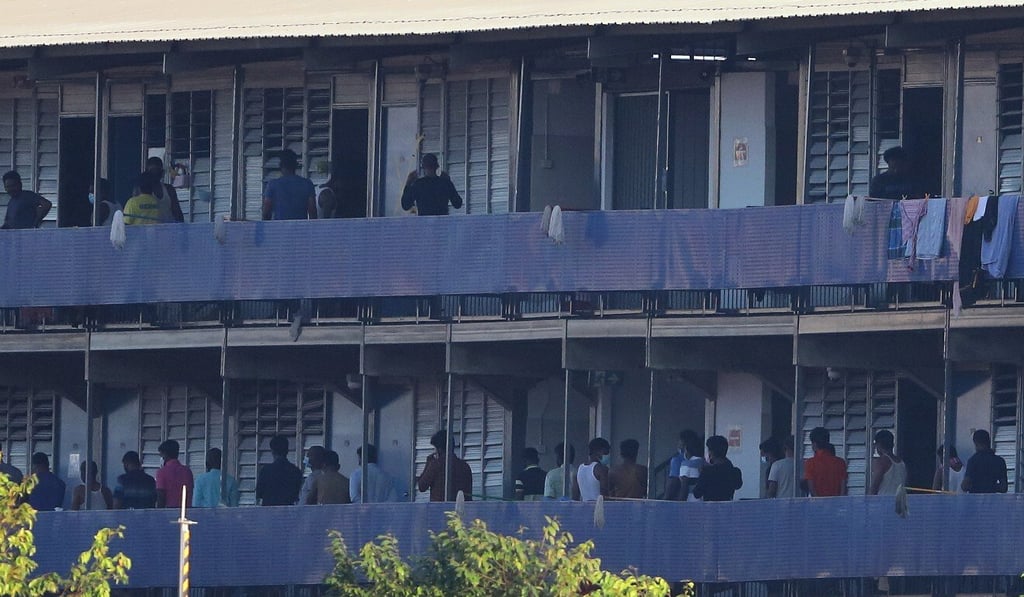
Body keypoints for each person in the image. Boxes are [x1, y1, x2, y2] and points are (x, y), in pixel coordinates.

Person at [417, 430, 473, 502]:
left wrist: (428, 464)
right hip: (458, 509)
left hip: (438, 509)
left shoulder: (436, 465)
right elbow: (468, 495)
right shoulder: (465, 466)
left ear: (439, 449)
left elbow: (422, 486)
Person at [262, 149, 317, 221]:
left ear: (281, 166)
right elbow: (312, 211)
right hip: (301, 229)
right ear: (296, 165)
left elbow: (266, 211)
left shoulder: (273, 185)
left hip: (279, 229)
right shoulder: (307, 184)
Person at [256, 434, 304, 506]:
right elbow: (297, 495)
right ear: (287, 451)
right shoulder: (296, 471)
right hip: (288, 512)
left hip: (268, 511)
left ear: (272, 451)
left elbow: (259, 493)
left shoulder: (266, 471)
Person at [692, 435, 743, 502]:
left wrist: (700, 475)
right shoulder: (735, 472)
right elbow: (738, 485)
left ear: (711, 452)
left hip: (711, 509)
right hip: (727, 508)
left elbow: (697, 493)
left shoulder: (707, 472)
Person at [803, 427, 847, 497]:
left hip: (818, 504)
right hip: (837, 503)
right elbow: (843, 488)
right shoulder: (841, 462)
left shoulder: (810, 463)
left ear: (814, 444)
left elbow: (811, 489)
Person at [961, 429, 1008, 494]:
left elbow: (964, 486)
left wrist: (976, 486)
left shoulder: (973, 461)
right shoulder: (999, 461)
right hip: (992, 501)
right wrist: (990, 487)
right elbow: (1004, 488)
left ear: (975, 443)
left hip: (975, 501)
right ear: (989, 441)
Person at [155, 439, 194, 508]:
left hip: (167, 513)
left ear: (165, 454)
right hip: (186, 512)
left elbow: (161, 496)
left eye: (161, 456)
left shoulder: (161, 472)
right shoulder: (187, 471)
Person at [145, 157, 184, 223]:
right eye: (153, 171)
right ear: (147, 173)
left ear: (162, 172)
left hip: (169, 229)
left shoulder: (169, 189)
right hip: (150, 230)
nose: (155, 173)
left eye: (157, 170)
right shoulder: (142, 190)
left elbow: (177, 213)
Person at [869, 430, 907, 496]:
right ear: (892, 444)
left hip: (884, 502)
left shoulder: (881, 461)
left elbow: (874, 487)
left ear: (878, 445)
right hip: (899, 502)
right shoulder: (902, 463)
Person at [574, 437, 610, 502]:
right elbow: (604, 495)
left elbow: (575, 495)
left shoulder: (580, 468)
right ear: (599, 451)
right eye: (606, 452)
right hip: (598, 509)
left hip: (584, 507)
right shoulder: (602, 469)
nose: (607, 455)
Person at [678, 435, 705, 501]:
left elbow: (684, 487)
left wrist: (680, 504)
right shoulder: (705, 463)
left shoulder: (686, 464)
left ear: (686, 449)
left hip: (690, 501)